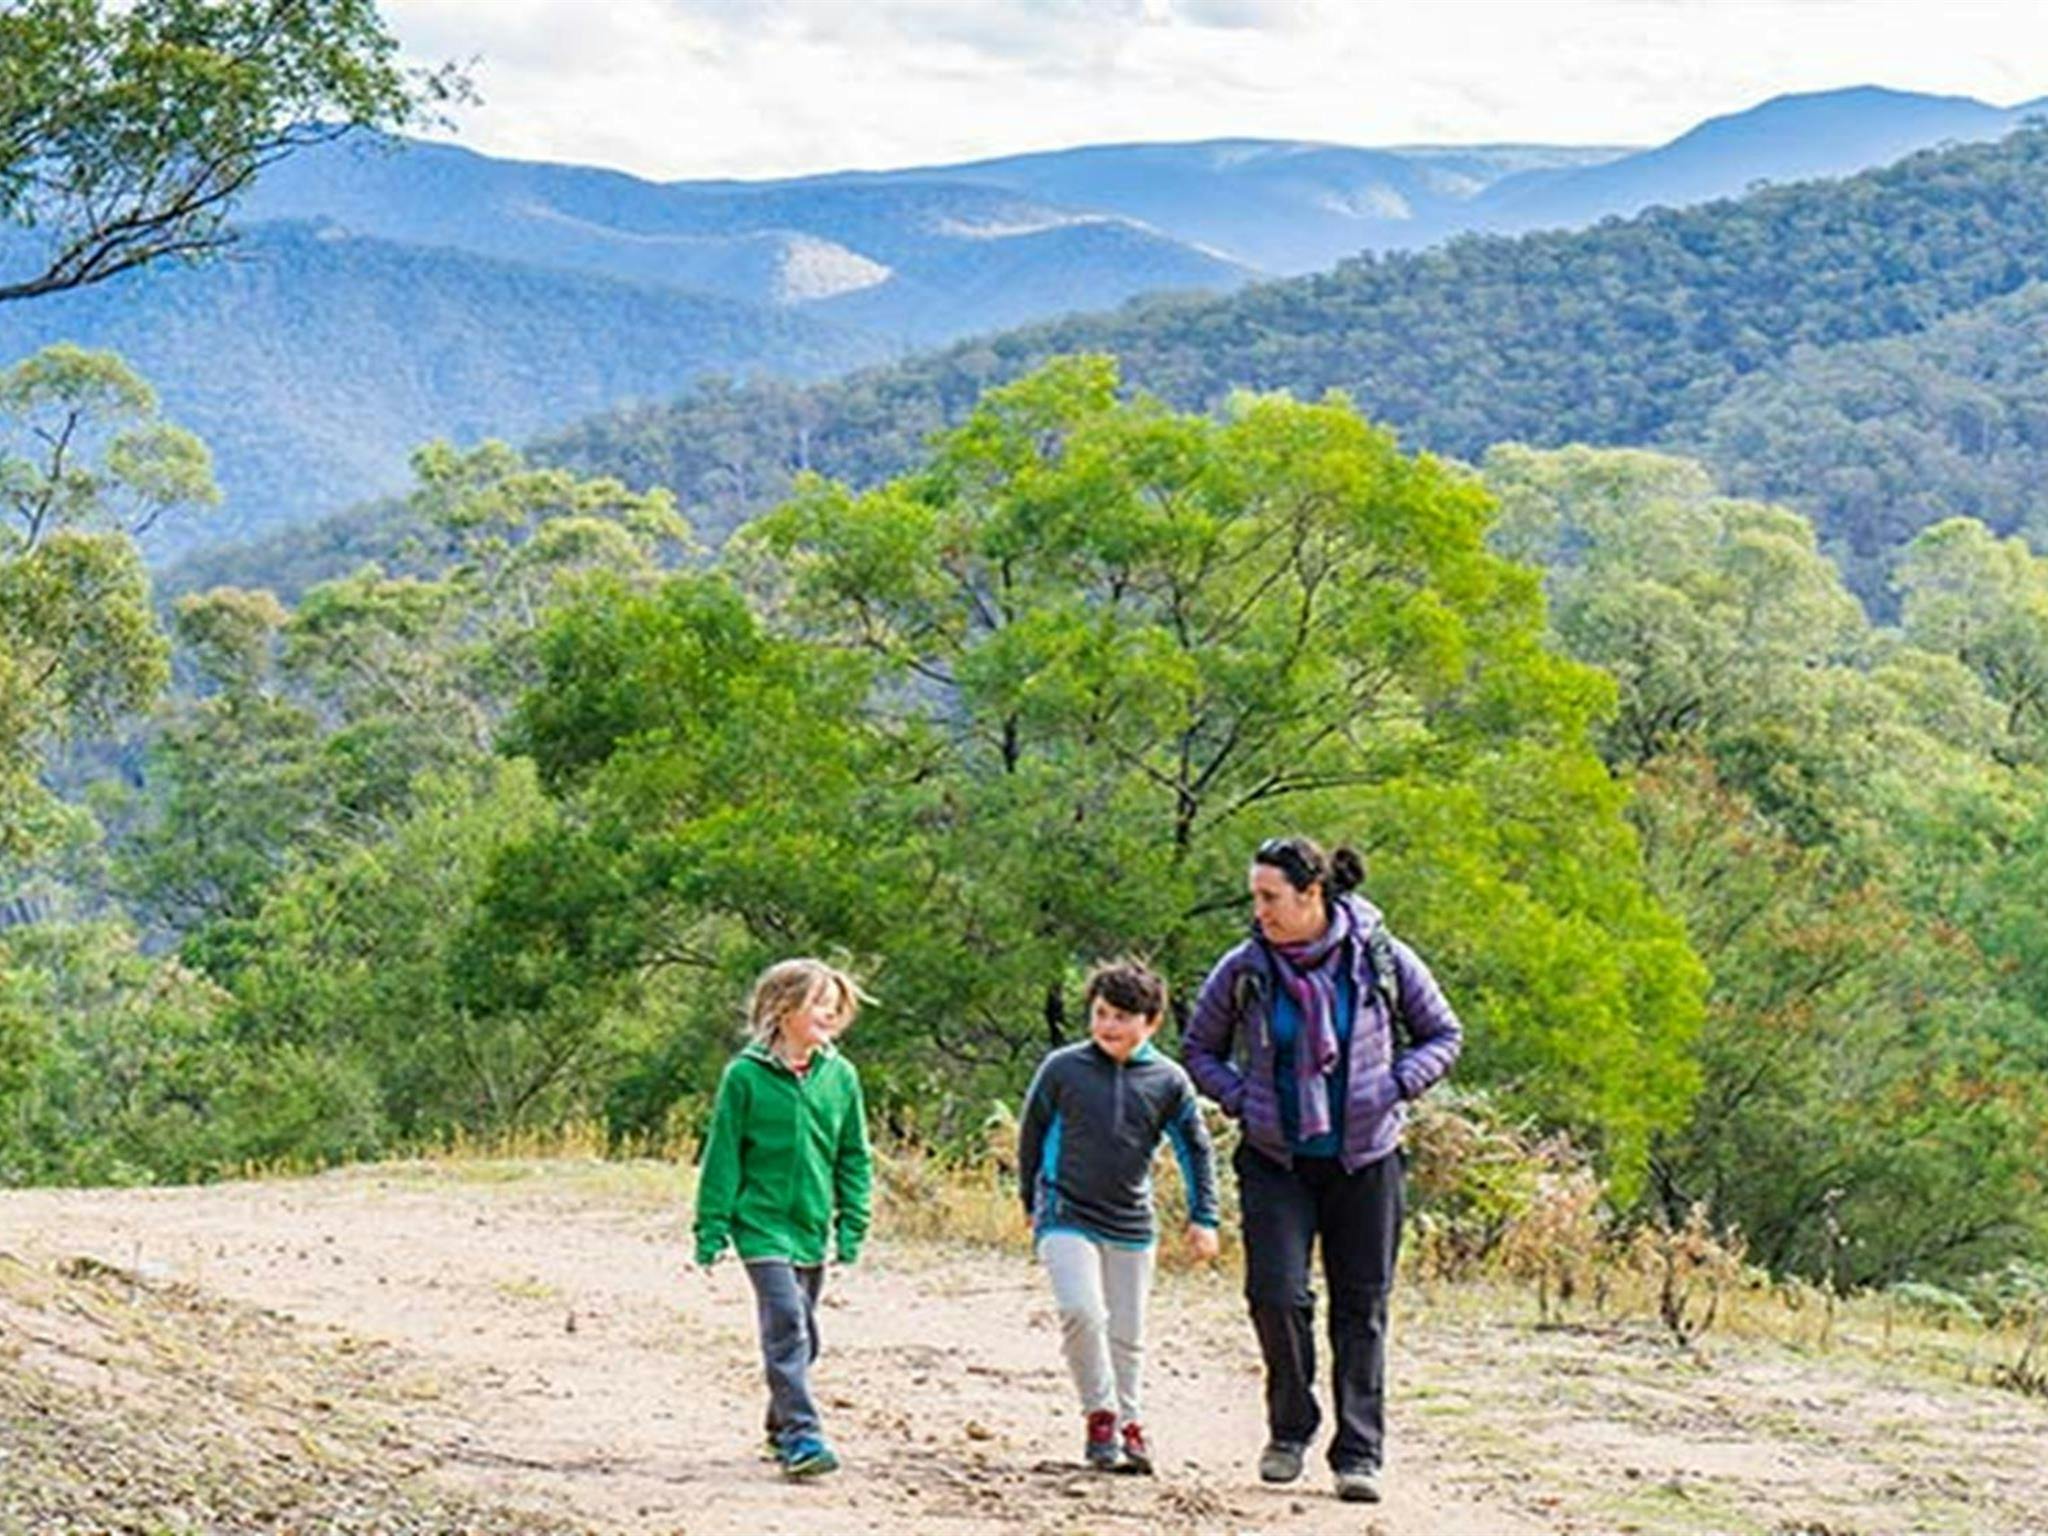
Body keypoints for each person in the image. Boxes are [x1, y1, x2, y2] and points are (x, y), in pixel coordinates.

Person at [1183, 836, 1462, 1504]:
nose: (1259, 910)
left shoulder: (1379, 956)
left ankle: (1358, 1453)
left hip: (1366, 1158)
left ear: (1313, 895)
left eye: (1270, 897)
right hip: (1276, 1159)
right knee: (1276, 1296)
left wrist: (1394, 1085)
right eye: (1255, 896)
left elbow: (1443, 1034)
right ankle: (1289, 1428)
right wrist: (1239, 1095)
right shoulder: (1245, 968)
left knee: (1361, 1308)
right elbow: (1199, 1048)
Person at [1018, 959, 1222, 1474]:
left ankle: (1131, 1425)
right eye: (1102, 1013)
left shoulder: (1168, 1080)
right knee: (1081, 1311)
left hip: (1131, 1219)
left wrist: (1206, 1217)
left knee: (1128, 1333)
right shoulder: (1062, 1068)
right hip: (1064, 1211)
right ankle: (1100, 1416)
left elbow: (1196, 1149)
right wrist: (1029, 1201)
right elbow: (1032, 1133)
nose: (1108, 1026)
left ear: (1151, 1023)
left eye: (1123, 1017)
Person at [693, 957, 874, 1479]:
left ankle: (777, 1425)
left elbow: (853, 1155)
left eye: (837, 1007)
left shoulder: (840, 1077)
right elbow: (723, 1154)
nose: (831, 1014)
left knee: (805, 1334)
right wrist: (711, 1227)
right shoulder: (745, 1077)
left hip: (812, 1226)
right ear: (782, 1009)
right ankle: (802, 1436)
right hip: (760, 1225)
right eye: (819, 1003)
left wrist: (853, 1221)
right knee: (787, 1323)